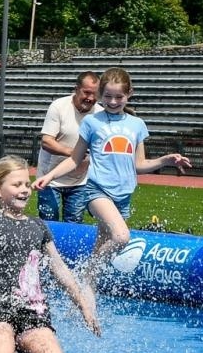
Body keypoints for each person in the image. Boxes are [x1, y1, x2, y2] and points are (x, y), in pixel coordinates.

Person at [33, 67, 192, 281]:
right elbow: (74, 159)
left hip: (123, 195)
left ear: (129, 94)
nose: (113, 102)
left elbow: (139, 165)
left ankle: (86, 293)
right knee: (121, 237)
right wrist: (49, 176)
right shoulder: (92, 122)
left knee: (102, 244)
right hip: (97, 191)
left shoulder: (137, 125)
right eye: (107, 96)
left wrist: (166, 160)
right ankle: (85, 271)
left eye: (119, 97)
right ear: (101, 95)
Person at [0, 157, 100, 353]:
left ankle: (19, 352)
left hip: (33, 309)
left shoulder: (38, 226)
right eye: (16, 185)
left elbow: (59, 268)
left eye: (26, 184)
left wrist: (83, 305)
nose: (24, 189)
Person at [34, 71, 100, 222]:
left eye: (95, 94)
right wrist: (74, 153)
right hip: (50, 179)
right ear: (76, 89)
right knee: (49, 223)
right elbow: (46, 141)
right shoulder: (59, 106)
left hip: (80, 181)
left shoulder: (100, 114)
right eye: (86, 92)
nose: (90, 98)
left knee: (74, 224)